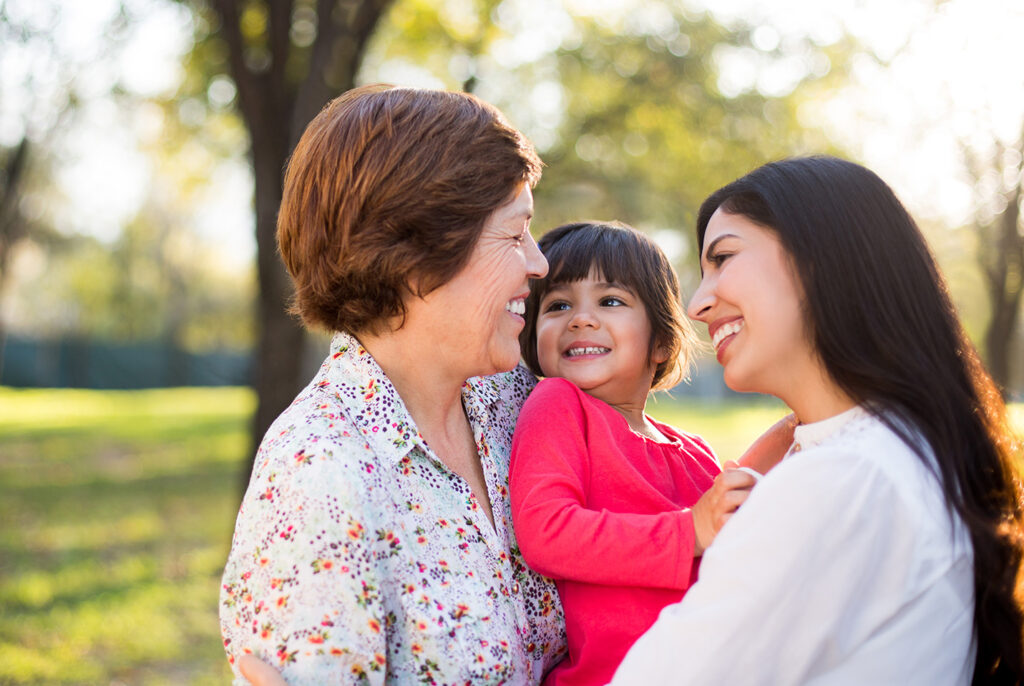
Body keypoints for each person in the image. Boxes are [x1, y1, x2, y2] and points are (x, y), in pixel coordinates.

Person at [610, 155, 1024, 685]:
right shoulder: (902, 452)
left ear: (821, 259)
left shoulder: (845, 478)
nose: (697, 304)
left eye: (724, 258)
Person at [218, 83, 567, 684]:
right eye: (514, 234)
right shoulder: (319, 472)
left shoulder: (517, 405)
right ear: (415, 254)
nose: (539, 264)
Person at [508, 221, 764, 686]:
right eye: (558, 304)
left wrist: (792, 430)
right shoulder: (560, 406)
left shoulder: (693, 450)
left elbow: (732, 513)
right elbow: (546, 530)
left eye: (610, 301)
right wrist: (689, 531)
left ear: (662, 341)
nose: (580, 319)